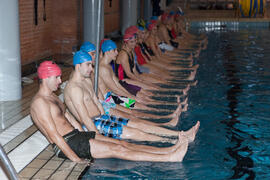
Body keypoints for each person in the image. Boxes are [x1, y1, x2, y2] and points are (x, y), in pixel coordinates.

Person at [30, 61, 191, 163]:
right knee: (119, 149)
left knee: (123, 143)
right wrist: (76, 158)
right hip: (69, 142)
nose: (60, 81)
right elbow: (54, 136)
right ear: (45, 78)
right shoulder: (40, 103)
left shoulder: (55, 96)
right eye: (56, 78)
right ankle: (170, 155)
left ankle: (169, 149)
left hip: (79, 134)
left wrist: (90, 134)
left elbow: (71, 118)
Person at [64, 50, 200, 141]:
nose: (95, 56)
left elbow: (116, 86)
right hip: (108, 100)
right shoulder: (95, 72)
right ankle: (167, 120)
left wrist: (129, 97)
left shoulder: (95, 71)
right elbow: (110, 91)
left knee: (139, 105)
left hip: (109, 99)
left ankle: (168, 119)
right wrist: (128, 98)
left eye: (95, 53)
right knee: (135, 112)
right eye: (93, 54)